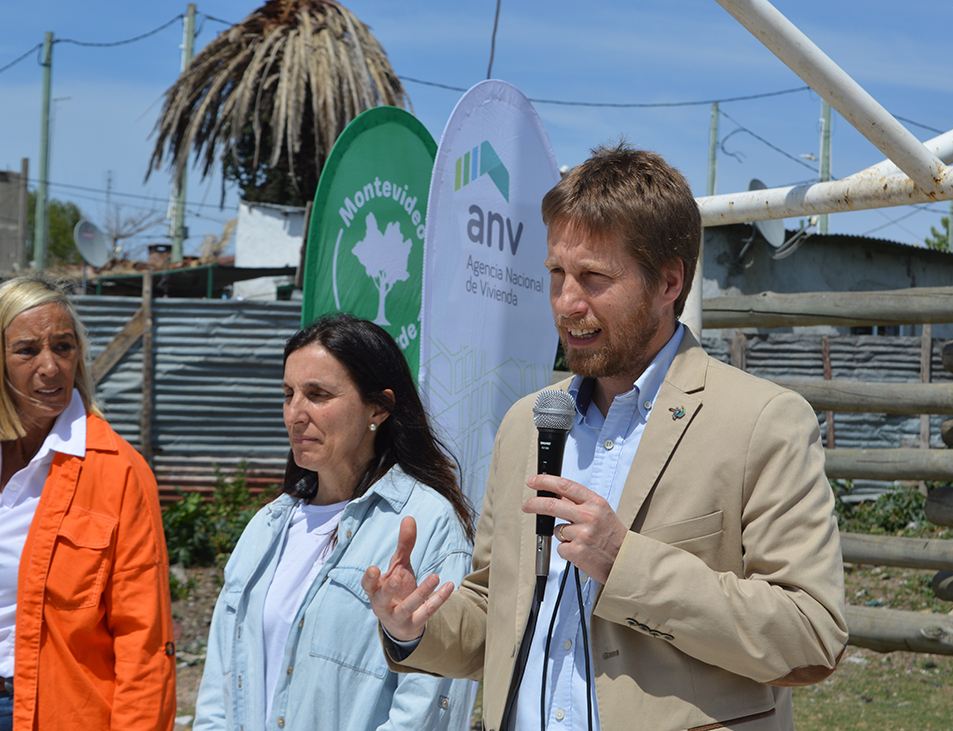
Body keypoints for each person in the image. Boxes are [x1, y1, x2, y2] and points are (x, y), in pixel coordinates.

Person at [364, 142, 848, 731]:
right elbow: (499, 615)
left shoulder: (762, 421)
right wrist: (414, 627)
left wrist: (625, 562)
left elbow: (811, 637)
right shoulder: (528, 423)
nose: (567, 303)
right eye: (556, 275)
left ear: (669, 282)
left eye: (594, 278)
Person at [194, 312, 476, 731]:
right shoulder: (267, 526)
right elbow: (219, 685)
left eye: (318, 394)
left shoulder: (425, 524)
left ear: (377, 409)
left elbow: (429, 707)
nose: (295, 413)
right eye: (288, 394)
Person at [0, 275, 176, 731]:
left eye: (63, 346)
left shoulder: (118, 471)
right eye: (26, 350)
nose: (51, 366)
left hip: (51, 712)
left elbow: (145, 638)